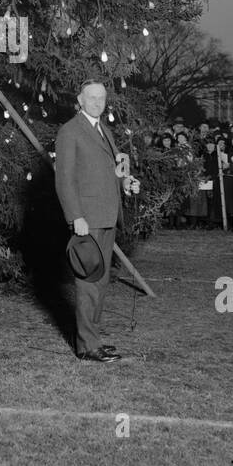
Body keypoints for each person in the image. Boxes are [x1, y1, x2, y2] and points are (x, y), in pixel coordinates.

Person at [54, 80, 138, 362]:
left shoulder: (105, 130)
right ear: (80, 99)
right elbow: (64, 180)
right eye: (92, 98)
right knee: (89, 282)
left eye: (101, 98)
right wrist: (75, 216)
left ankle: (93, 339)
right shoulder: (70, 131)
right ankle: (88, 346)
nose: (97, 102)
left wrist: (126, 183)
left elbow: (112, 170)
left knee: (100, 282)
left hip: (107, 216)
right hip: (87, 220)